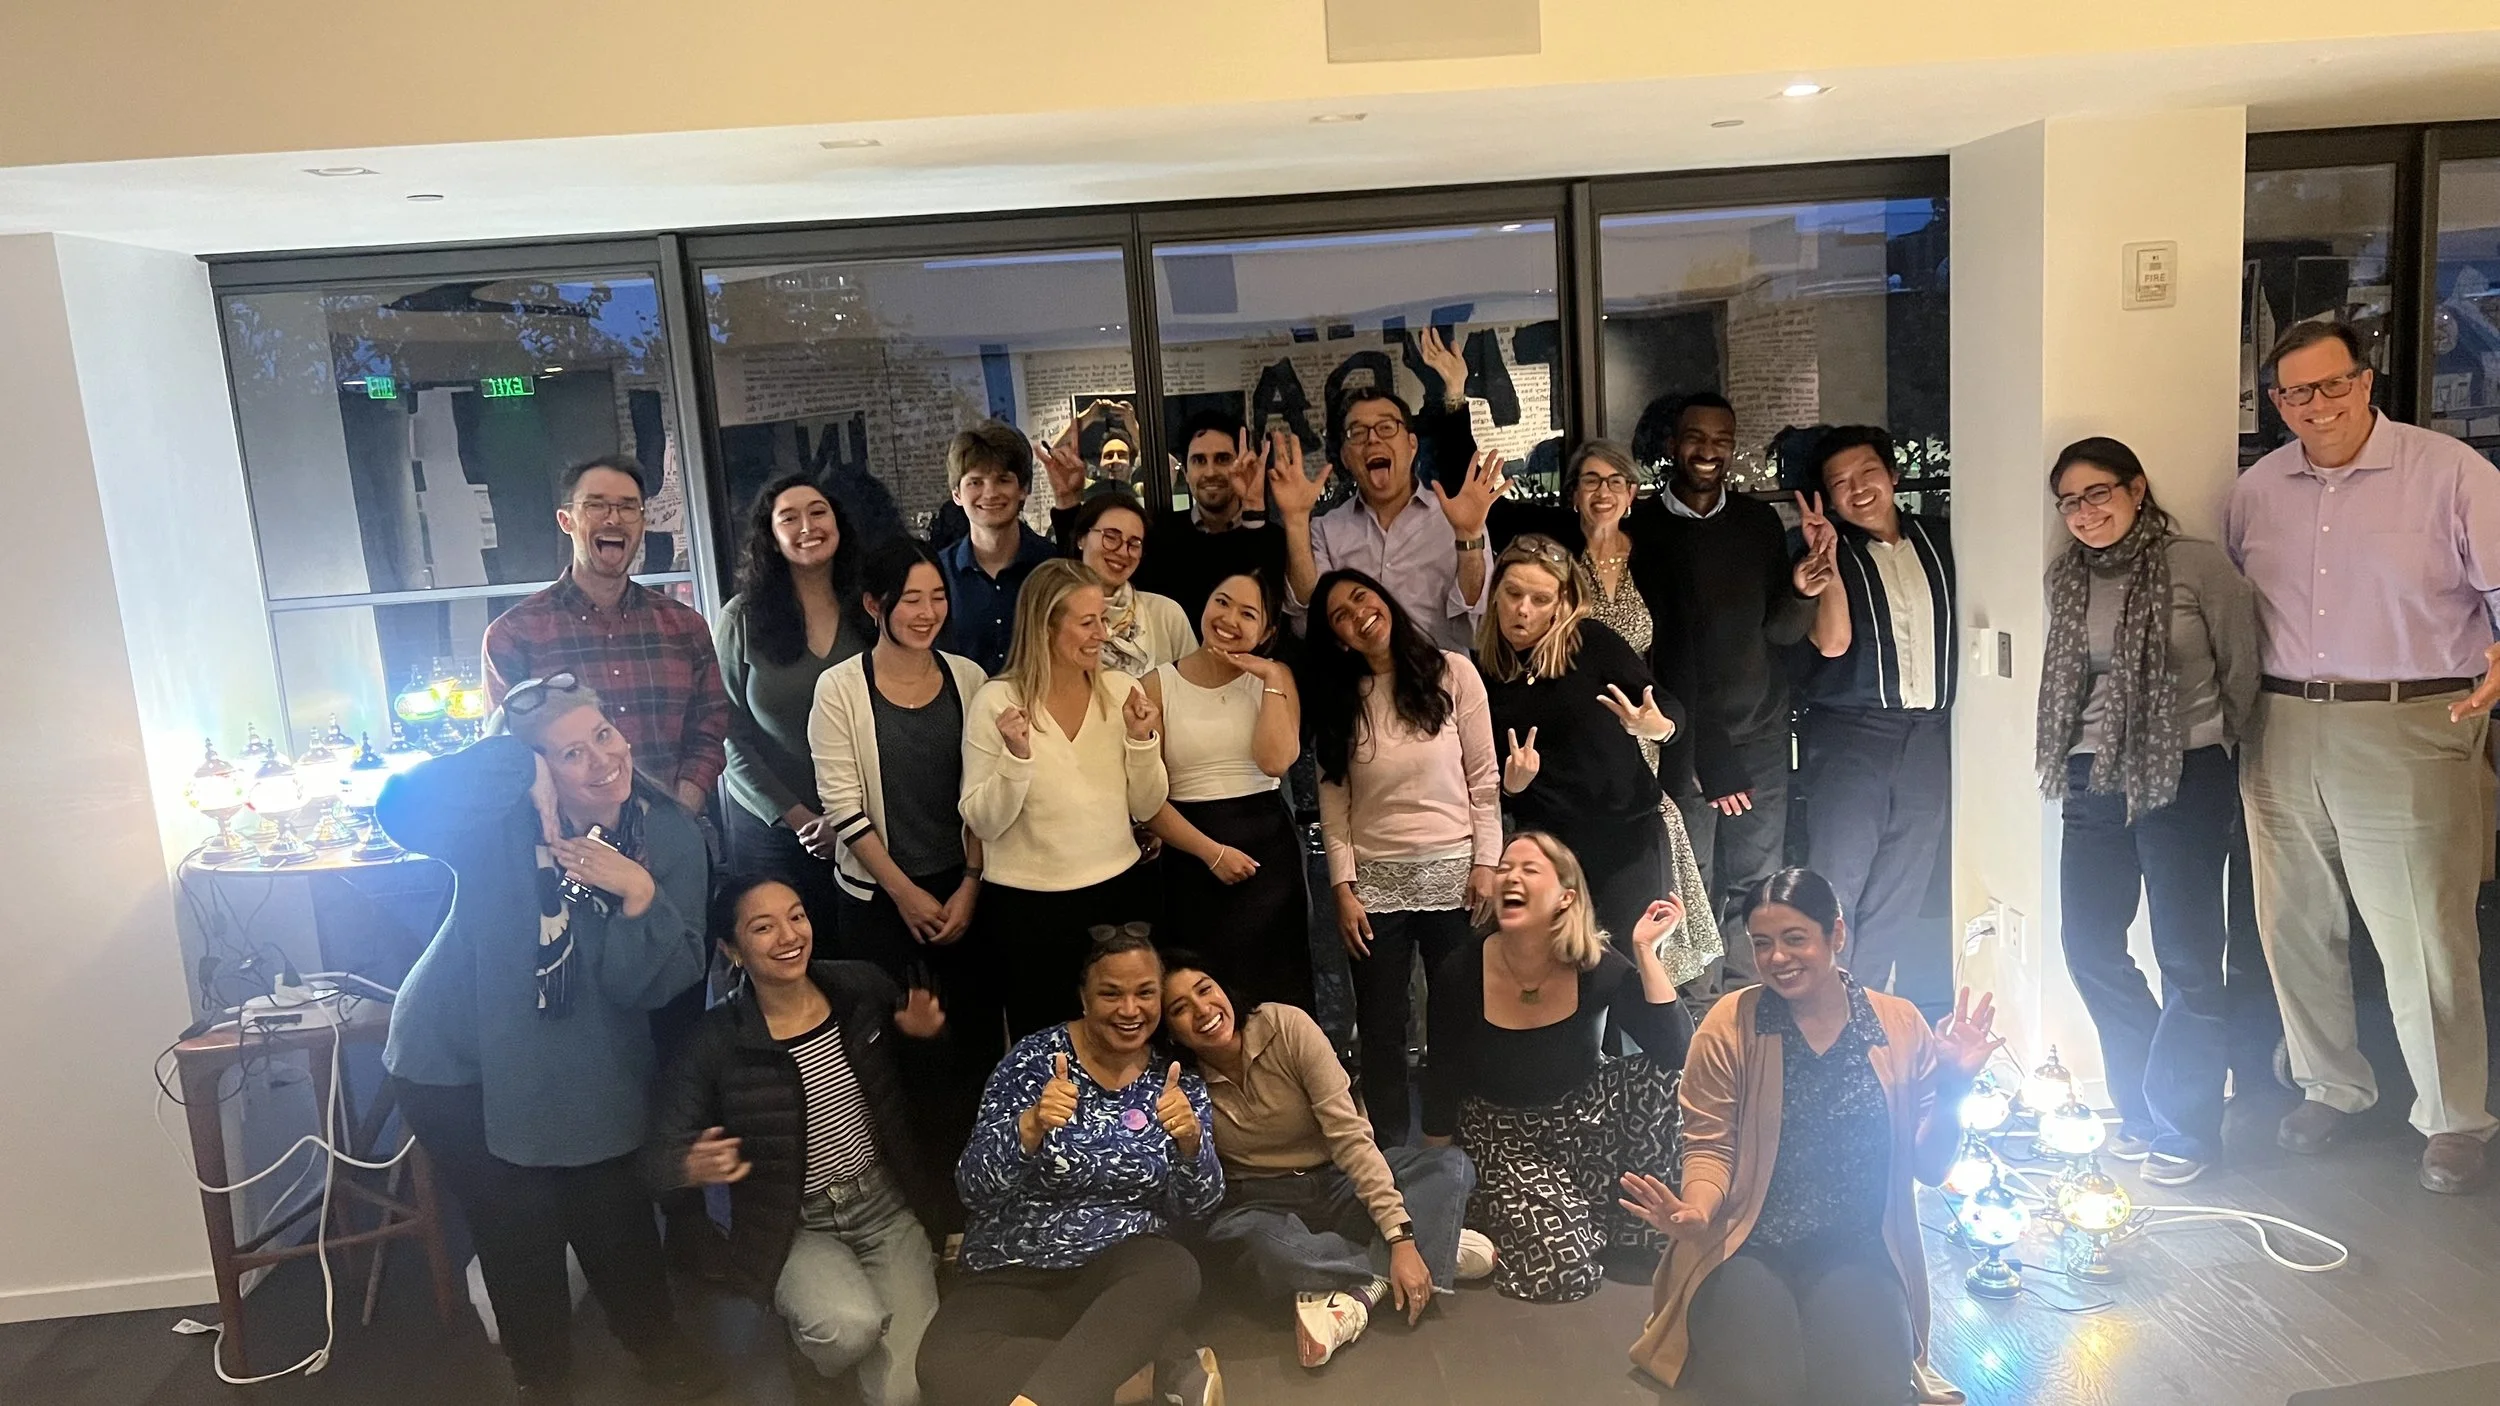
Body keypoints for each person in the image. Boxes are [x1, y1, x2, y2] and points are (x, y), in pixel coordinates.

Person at [377, 676, 717, 1405]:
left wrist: (638, 895)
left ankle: (657, 1348)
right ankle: (542, 1379)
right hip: (454, 1058)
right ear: (538, 768)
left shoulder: (665, 833)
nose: (603, 759)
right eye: (569, 753)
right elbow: (399, 809)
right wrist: (513, 760)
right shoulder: (499, 820)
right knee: (517, 1223)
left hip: (584, 1048)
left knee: (612, 1204)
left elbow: (652, 984)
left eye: (604, 734)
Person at [2225, 320, 2500, 1195]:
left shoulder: (2449, 473)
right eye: (2296, 393)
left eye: (2333, 384)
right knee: (2294, 924)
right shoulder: (2257, 491)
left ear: (2366, 380)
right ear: (2277, 403)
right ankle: (2329, 1085)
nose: (2318, 405)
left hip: (2410, 720)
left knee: (2426, 933)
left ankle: (2453, 1119)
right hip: (2280, 722)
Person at [1627, 869, 2000, 1406]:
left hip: (1860, 1246)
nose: (1778, 957)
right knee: (1765, 1392)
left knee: (1868, 1393)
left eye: (1795, 938)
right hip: (1746, 1244)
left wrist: (1955, 1087)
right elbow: (1710, 1144)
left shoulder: (1898, 1023)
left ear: (1836, 934)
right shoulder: (1731, 1022)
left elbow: (1931, 1168)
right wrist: (1698, 1211)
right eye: (1762, 943)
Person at [2036, 437, 2263, 1187]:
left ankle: (2187, 1127)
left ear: (2136, 488)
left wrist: (2205, 745)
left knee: (2189, 956)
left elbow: (2242, 672)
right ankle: (2138, 1107)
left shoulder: (2198, 567)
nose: (2084, 512)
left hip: (2184, 775)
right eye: (2070, 502)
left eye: (2098, 493)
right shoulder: (2066, 578)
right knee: (2090, 945)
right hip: (2090, 777)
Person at [648, 875, 949, 1406]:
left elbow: (923, 1092)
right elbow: (658, 1157)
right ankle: (815, 1355)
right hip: (792, 1223)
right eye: (763, 927)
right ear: (732, 950)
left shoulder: (860, 986)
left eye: (797, 916)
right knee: (847, 1329)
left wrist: (923, 1038)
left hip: (884, 1206)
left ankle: (847, 1354)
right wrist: (690, 1166)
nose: (789, 936)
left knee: (904, 1393)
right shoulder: (713, 1041)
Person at [919, 930, 1224, 1406]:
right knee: (940, 1364)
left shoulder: (1176, 1080)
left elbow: (1196, 1212)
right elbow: (972, 1190)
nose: (1129, 1010)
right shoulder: (1032, 1060)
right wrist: (1029, 1128)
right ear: (1084, 998)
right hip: (1014, 1266)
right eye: (1111, 993)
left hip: (1120, 1272)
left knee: (1175, 1270)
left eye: (1145, 993)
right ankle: (1142, 1375)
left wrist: (1192, 1144)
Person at [1160, 954, 1485, 1368]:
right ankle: (1433, 1250)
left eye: (1205, 990)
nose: (1202, 1009)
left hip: (1336, 1179)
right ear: (1170, 1031)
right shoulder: (1178, 1081)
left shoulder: (1285, 1026)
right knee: (1255, 1248)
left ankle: (1364, 1292)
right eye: (1180, 1008)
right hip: (1262, 1201)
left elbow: (1349, 1135)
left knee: (1449, 1165)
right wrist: (1400, 1240)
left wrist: (1400, 1238)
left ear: (1224, 989)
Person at [1421, 833, 1691, 1304]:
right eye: (1505, 868)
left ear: (1566, 897)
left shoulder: (1595, 962)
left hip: (1586, 1116)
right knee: (1564, 1271)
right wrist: (1439, 1187)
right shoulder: (1461, 971)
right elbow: (1441, 1074)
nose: (1511, 877)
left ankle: (1618, 1226)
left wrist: (1647, 952)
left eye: (1529, 869)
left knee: (1665, 1081)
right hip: (1503, 1134)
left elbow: (1676, 1053)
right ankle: (1560, 1221)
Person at [809, 537, 995, 1183]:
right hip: (878, 901)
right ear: (874, 605)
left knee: (971, 1044)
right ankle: (917, 1194)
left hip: (964, 889)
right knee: (896, 1054)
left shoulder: (968, 679)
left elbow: (985, 793)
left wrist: (971, 882)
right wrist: (904, 893)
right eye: (910, 599)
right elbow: (841, 804)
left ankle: (976, 1189)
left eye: (937, 597)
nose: (927, 612)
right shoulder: (840, 688)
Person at [1303, 568, 1500, 1143]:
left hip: (1456, 876)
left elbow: (1484, 781)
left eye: (1361, 598)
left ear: (1384, 598)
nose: (1358, 616)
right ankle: (1388, 1145)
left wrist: (1487, 863)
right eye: (1340, 616)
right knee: (1381, 1023)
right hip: (1374, 885)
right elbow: (1333, 808)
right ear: (1338, 639)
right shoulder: (1340, 700)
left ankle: (1446, 1134)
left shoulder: (1453, 672)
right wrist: (1343, 888)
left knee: (1456, 1014)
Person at [1638, 397, 1833, 958]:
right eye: (1695, 437)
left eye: (1721, 440)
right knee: (1687, 887)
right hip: (1682, 739)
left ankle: (1752, 998)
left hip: (1761, 736)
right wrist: (1703, 749)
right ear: (1672, 445)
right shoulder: (1642, 531)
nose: (1708, 451)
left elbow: (1780, 633)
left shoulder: (1757, 523)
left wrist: (1802, 592)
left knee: (1760, 886)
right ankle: (1696, 1007)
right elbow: (1662, 656)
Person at [959, 558, 1170, 1037]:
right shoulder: (997, 702)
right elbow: (983, 822)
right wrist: (1016, 758)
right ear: (1046, 627)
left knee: (1127, 1037)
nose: (1102, 634)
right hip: (1028, 910)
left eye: (1103, 619)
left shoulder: (1122, 690)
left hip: (1119, 894)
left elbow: (1146, 806)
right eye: (1088, 622)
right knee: (1046, 1047)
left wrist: (1142, 741)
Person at [1797, 425, 1957, 1016]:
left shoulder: (1941, 539)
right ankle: (1822, 1016)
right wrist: (1827, 562)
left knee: (1901, 887)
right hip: (1852, 735)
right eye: (1840, 483)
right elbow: (1832, 643)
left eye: (1868, 473)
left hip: (1929, 734)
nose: (1858, 489)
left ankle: (1866, 1014)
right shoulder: (1822, 551)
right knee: (1836, 883)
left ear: (1893, 475)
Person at [483, 455, 729, 820]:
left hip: (676, 831)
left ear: (642, 523)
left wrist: (678, 818)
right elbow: (508, 752)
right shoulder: (514, 633)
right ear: (566, 520)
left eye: (628, 507)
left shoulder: (684, 627)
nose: (613, 518)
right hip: (568, 843)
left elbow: (709, 730)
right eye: (596, 505)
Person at [1476, 535, 1684, 957]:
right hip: (1549, 849)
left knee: (1630, 966)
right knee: (1559, 969)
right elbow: (1486, 781)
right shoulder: (1484, 671)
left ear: (1561, 603)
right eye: (1513, 594)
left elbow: (1668, 708)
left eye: (1540, 599)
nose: (1523, 609)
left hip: (1625, 837)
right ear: (1495, 593)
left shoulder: (1591, 642)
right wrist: (1512, 787)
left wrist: (1657, 726)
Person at [1141, 570, 1314, 1011]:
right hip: (1191, 850)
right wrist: (1211, 853)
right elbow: (1146, 797)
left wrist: (1270, 675)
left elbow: (1275, 762)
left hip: (1268, 852)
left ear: (1268, 632)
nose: (1229, 619)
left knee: (1278, 990)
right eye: (1222, 602)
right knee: (1202, 988)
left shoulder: (1277, 678)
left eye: (1248, 614)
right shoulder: (1156, 684)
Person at [1271, 331, 1502, 653]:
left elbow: (1477, 630)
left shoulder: (1457, 519)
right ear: (1346, 458)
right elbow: (1308, 622)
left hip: (1441, 679)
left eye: (1386, 427)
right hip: (1357, 682)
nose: (1373, 439)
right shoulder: (1326, 530)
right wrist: (1296, 520)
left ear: (1411, 445)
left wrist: (1467, 538)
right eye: (1357, 432)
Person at [716, 475, 869, 938]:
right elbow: (726, 732)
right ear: (771, 535)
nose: (808, 526)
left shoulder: (870, 610)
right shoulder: (741, 619)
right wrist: (799, 817)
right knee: (784, 955)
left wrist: (846, 820)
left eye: (818, 512)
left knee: (862, 957)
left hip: (865, 823)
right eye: (789, 518)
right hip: (772, 832)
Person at [1040, 406, 1288, 624]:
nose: (1210, 472)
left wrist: (1254, 507)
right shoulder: (1159, 534)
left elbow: (1270, 606)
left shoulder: (1267, 536)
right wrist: (1067, 500)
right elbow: (1084, 574)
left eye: (1223, 459)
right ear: (1186, 472)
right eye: (1199, 460)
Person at [935, 421, 1059, 674]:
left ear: (1023, 489)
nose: (990, 493)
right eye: (975, 482)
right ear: (957, 494)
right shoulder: (937, 572)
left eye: (1003, 480)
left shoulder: (1053, 565)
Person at [1065, 488, 1197, 677]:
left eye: (1134, 544)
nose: (1122, 551)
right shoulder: (1054, 613)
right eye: (1111, 537)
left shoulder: (1165, 615)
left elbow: (1194, 687)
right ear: (1081, 538)